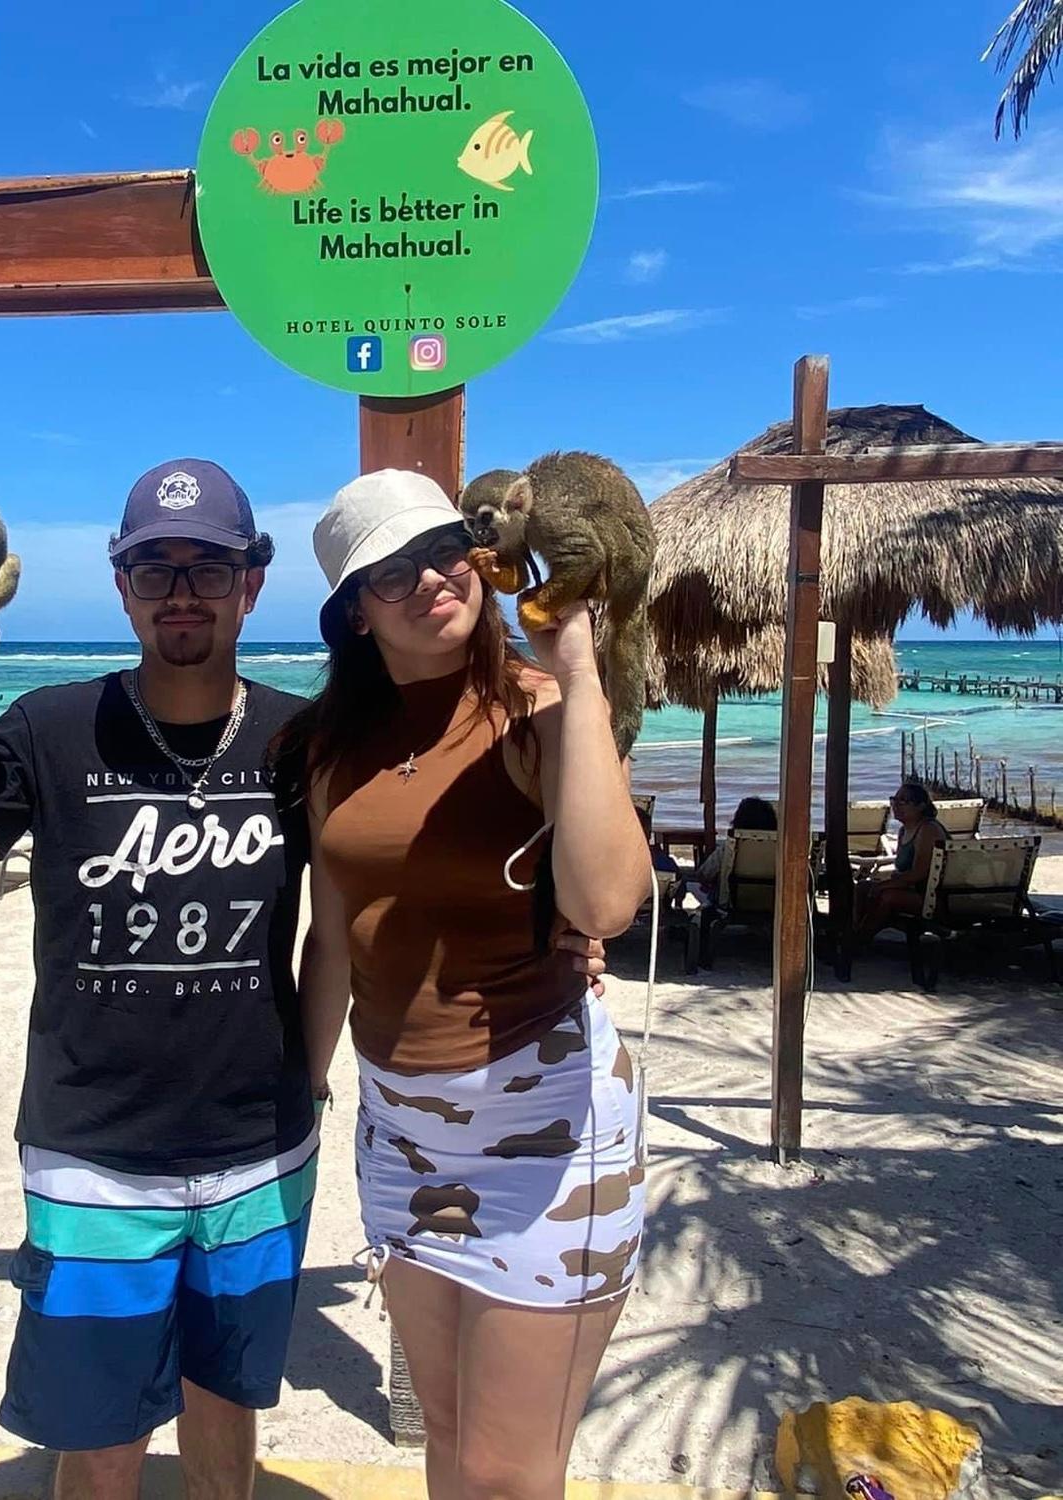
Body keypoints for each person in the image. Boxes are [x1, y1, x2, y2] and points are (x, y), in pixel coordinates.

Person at [0, 459, 319, 1500]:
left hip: (260, 1145)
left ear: (252, 583)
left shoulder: (302, 739)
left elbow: (368, 903)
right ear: (122, 587)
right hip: (92, 1156)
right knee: (101, 1437)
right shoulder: (49, 727)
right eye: (155, 570)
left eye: (209, 568)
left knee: (226, 1410)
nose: (181, 593)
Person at [291, 471, 650, 1500]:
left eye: (444, 549)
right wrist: (304, 1088)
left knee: (508, 1473)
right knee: (447, 1439)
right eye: (391, 571)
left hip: (548, 1126)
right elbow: (333, 938)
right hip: (400, 1131)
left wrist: (576, 671)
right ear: (355, 613)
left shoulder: (538, 710)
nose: (430, 578)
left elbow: (607, 901)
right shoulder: (330, 749)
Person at [855, 779, 949, 944]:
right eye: (894, 800)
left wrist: (883, 886)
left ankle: (860, 939)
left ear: (921, 806)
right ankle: (853, 930)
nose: (896, 806)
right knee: (862, 888)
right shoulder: (903, 831)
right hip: (912, 889)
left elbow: (919, 873)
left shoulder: (928, 829)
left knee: (887, 896)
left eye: (903, 801)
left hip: (934, 896)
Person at [692, 795, 777, 894]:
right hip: (772, 898)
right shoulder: (780, 847)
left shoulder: (730, 846)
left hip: (732, 899)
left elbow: (704, 874)